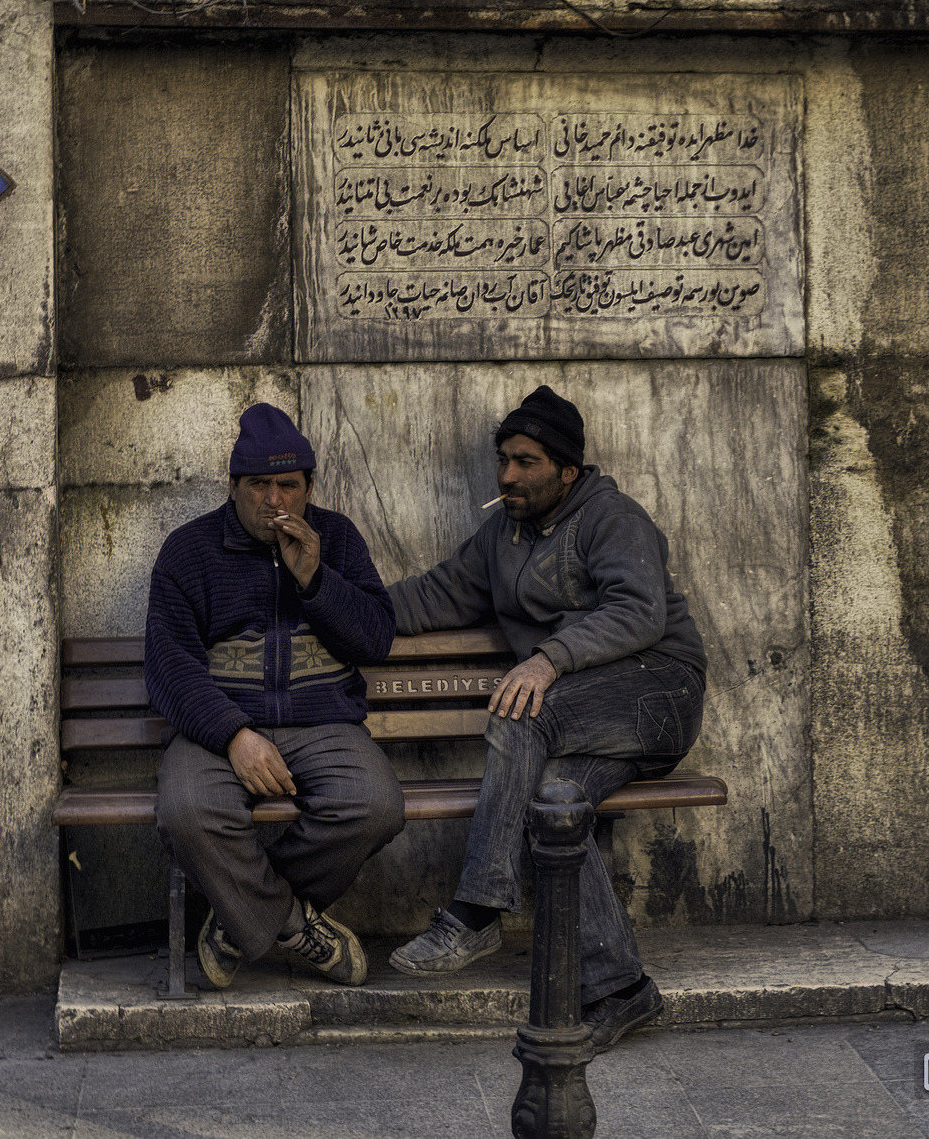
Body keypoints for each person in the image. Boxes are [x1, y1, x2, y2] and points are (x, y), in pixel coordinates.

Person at [384, 385, 707, 1057]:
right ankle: (621, 987)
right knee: (552, 804)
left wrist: (546, 660)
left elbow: (640, 613)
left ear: (566, 470)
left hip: (657, 697)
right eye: (503, 459)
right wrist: (320, 597)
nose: (507, 476)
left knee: (520, 714)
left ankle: (476, 912)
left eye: (525, 462)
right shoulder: (502, 534)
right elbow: (432, 596)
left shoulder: (612, 518)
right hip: (586, 717)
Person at [145, 403, 401, 990]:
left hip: (323, 724)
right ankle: (292, 925)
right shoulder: (189, 551)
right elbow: (168, 663)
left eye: (289, 485)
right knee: (186, 813)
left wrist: (316, 579)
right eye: (258, 484)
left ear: (309, 487)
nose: (274, 500)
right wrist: (234, 736)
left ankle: (237, 921)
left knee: (375, 806)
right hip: (217, 728)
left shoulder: (335, 538)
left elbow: (376, 637)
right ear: (233, 486)